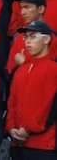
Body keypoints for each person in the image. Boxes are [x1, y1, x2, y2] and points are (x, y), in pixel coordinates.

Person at [7, 20, 57, 159]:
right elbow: (12, 103)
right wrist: (11, 128)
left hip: (42, 144)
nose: (28, 41)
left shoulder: (53, 69)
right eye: (26, 37)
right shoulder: (20, 71)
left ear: (47, 39)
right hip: (18, 143)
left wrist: (27, 129)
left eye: (33, 36)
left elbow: (49, 106)